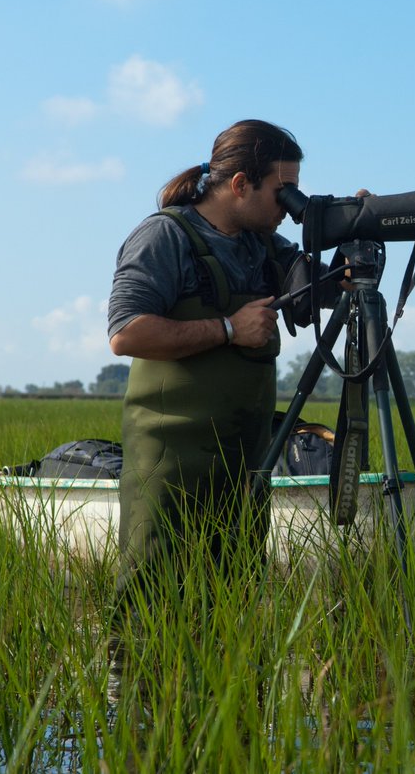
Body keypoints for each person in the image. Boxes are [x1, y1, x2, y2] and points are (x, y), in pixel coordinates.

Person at [106, 120, 340, 639]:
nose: (288, 205)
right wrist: (230, 329)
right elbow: (126, 333)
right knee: (151, 611)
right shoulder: (166, 235)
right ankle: (139, 717)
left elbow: (318, 290)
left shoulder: (263, 244)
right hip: (171, 466)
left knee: (232, 611)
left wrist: (354, 234)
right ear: (240, 185)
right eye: (282, 191)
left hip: (244, 464)